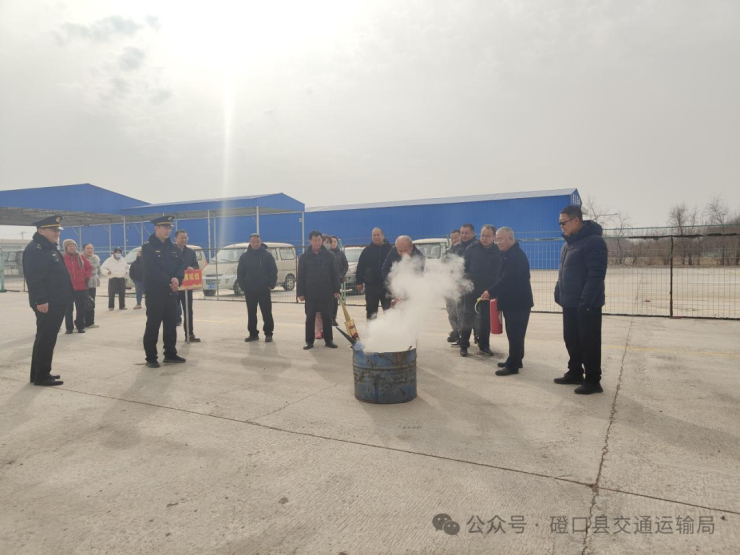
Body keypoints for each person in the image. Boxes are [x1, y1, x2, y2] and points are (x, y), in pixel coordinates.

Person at [554, 205, 608, 395]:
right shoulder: (568, 244)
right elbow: (564, 271)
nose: (561, 226)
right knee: (571, 339)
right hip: (569, 302)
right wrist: (558, 289)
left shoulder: (594, 242)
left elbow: (596, 274)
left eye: (563, 222)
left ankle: (593, 380)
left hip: (587, 304)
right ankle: (575, 372)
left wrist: (586, 301)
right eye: (560, 222)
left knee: (589, 342)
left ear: (576, 221)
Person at [23, 215, 73, 386]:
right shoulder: (36, 249)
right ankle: (42, 376)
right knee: (46, 338)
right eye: (53, 230)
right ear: (41, 230)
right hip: (48, 302)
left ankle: (39, 373)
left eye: (58, 230)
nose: (57, 233)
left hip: (56, 300)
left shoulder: (47, 247)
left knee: (46, 338)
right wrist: (41, 300)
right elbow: (35, 278)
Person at [482, 227, 534, 376]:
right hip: (511, 302)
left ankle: (513, 366)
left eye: (501, 239)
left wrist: (491, 291)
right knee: (513, 334)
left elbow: (508, 279)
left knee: (516, 334)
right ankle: (516, 359)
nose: (498, 242)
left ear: (511, 239)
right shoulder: (507, 254)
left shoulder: (516, 256)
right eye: (497, 239)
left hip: (518, 303)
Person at [141, 215, 186, 368]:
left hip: (171, 293)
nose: (168, 230)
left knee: (171, 325)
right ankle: (151, 357)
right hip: (155, 293)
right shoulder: (148, 248)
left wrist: (177, 279)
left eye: (169, 228)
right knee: (153, 325)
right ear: (156, 228)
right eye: (165, 227)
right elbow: (151, 270)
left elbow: (181, 265)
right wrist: (169, 281)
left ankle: (170, 353)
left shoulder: (173, 248)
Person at [458, 225, 501, 358]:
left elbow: (500, 273)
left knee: (485, 320)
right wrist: (461, 282)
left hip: (488, 292)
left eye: (488, 236)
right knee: (467, 317)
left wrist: (494, 290)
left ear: (494, 237)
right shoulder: (472, 248)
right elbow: (463, 267)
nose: (484, 238)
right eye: (482, 235)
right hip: (471, 290)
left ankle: (484, 345)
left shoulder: (498, 251)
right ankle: (464, 345)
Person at [297, 230, 340, 350]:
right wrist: (300, 293)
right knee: (310, 317)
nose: (317, 243)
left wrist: (336, 289)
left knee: (327, 316)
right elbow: (301, 276)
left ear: (322, 241)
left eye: (319, 240)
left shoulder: (329, 255)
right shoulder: (304, 257)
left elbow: (334, 274)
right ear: (310, 241)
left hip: (326, 291)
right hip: (311, 292)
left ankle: (329, 340)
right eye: (314, 240)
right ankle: (309, 341)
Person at [237, 233, 278, 343]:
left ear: (261, 242)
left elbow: (273, 271)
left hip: (264, 289)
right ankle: (253, 334)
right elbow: (240, 273)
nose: (255, 244)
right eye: (253, 242)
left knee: (266, 312)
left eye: (257, 242)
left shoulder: (267, 256)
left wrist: (270, 285)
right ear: (250, 242)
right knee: (251, 313)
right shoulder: (244, 257)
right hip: (250, 290)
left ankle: (268, 333)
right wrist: (244, 287)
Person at [355, 228, 393, 320]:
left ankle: (391, 328)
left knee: (389, 310)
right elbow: (360, 267)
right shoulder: (367, 250)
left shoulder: (390, 249)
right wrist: (359, 282)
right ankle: (371, 328)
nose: (376, 237)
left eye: (378, 235)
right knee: (371, 310)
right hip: (371, 285)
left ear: (382, 235)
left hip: (387, 285)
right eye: (374, 235)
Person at [449, 223, 477, 346]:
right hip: (459, 287)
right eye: (462, 233)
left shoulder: (477, 246)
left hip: (475, 286)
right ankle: (462, 339)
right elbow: (452, 266)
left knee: (477, 315)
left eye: (467, 233)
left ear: (473, 233)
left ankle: (478, 337)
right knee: (461, 313)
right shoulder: (456, 247)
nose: (464, 235)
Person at [174, 230, 200, 342]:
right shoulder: (171, 251)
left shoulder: (190, 252)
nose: (184, 240)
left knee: (188, 311)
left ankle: (189, 334)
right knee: (171, 311)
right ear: (175, 239)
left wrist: (192, 268)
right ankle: (171, 336)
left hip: (186, 286)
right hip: (174, 286)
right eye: (181, 237)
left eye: (185, 237)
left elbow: (196, 265)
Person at [62, 239, 93, 334]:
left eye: (73, 246)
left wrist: (87, 276)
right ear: (66, 248)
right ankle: (69, 328)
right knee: (68, 309)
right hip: (67, 287)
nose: (72, 247)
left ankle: (80, 326)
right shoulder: (62, 258)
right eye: (69, 246)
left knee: (80, 308)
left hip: (80, 287)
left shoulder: (81, 257)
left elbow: (89, 267)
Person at [443, 229, 462, 343]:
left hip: (459, 287)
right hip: (448, 285)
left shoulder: (464, 250)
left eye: (456, 238)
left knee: (460, 311)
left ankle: (462, 333)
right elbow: (442, 265)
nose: (453, 240)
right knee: (451, 310)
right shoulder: (448, 251)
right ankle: (455, 331)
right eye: (452, 238)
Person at [329, 236, 349, 326]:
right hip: (327, 280)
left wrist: (341, 274)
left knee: (335, 300)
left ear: (337, 243)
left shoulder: (341, 254)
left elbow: (345, 265)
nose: (333, 243)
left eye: (335, 242)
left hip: (336, 281)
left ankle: (333, 318)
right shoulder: (327, 253)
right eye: (331, 242)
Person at [82, 243, 102, 328]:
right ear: (84, 249)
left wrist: (97, 278)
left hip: (93, 283)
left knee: (91, 302)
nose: (90, 250)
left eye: (91, 248)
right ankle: (82, 321)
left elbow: (99, 270)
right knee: (83, 303)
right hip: (84, 283)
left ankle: (90, 322)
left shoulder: (96, 258)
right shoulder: (81, 258)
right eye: (88, 248)